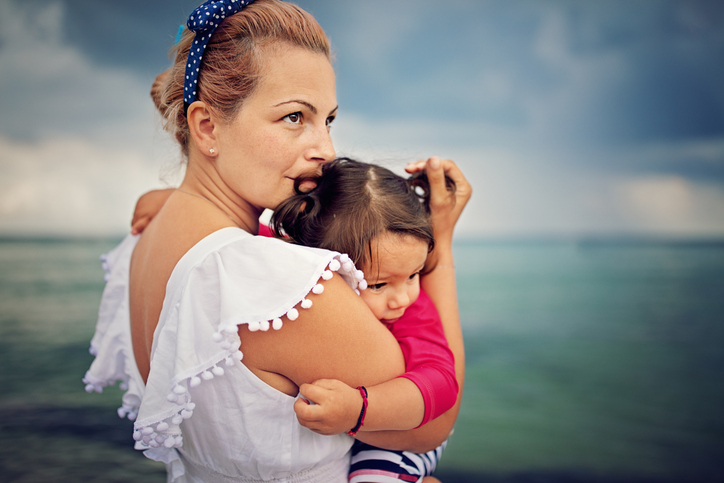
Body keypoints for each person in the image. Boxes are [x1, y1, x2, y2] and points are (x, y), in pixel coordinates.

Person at [83, 1, 471, 482]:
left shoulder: (144, 242)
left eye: (327, 120)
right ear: (207, 126)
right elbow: (433, 424)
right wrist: (441, 249)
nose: (325, 150)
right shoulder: (287, 292)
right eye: (293, 118)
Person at [272, 157, 458, 483]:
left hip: (403, 438)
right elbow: (247, 232)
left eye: (414, 274)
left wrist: (359, 410)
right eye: (378, 284)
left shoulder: (414, 314)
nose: (402, 298)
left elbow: (442, 382)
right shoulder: (299, 258)